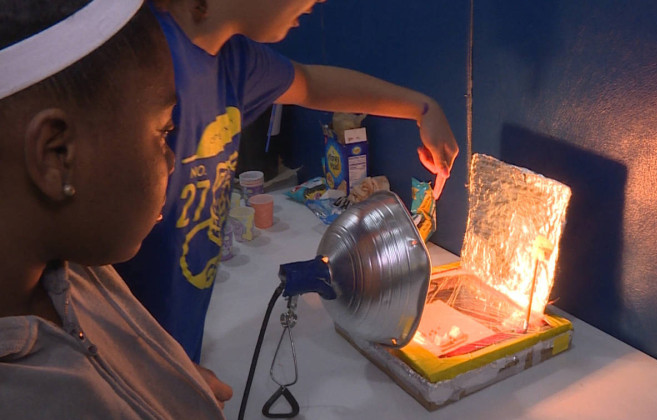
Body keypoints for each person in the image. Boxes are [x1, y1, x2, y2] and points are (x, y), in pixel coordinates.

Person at [115, 0, 461, 364]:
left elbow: (310, 84)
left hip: (170, 352)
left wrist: (423, 108)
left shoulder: (234, 62)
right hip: (116, 357)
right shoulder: (143, 55)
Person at [0, 0, 231, 416]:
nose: (173, 159)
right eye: (165, 131)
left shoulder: (75, 270)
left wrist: (162, 377)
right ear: (58, 154)